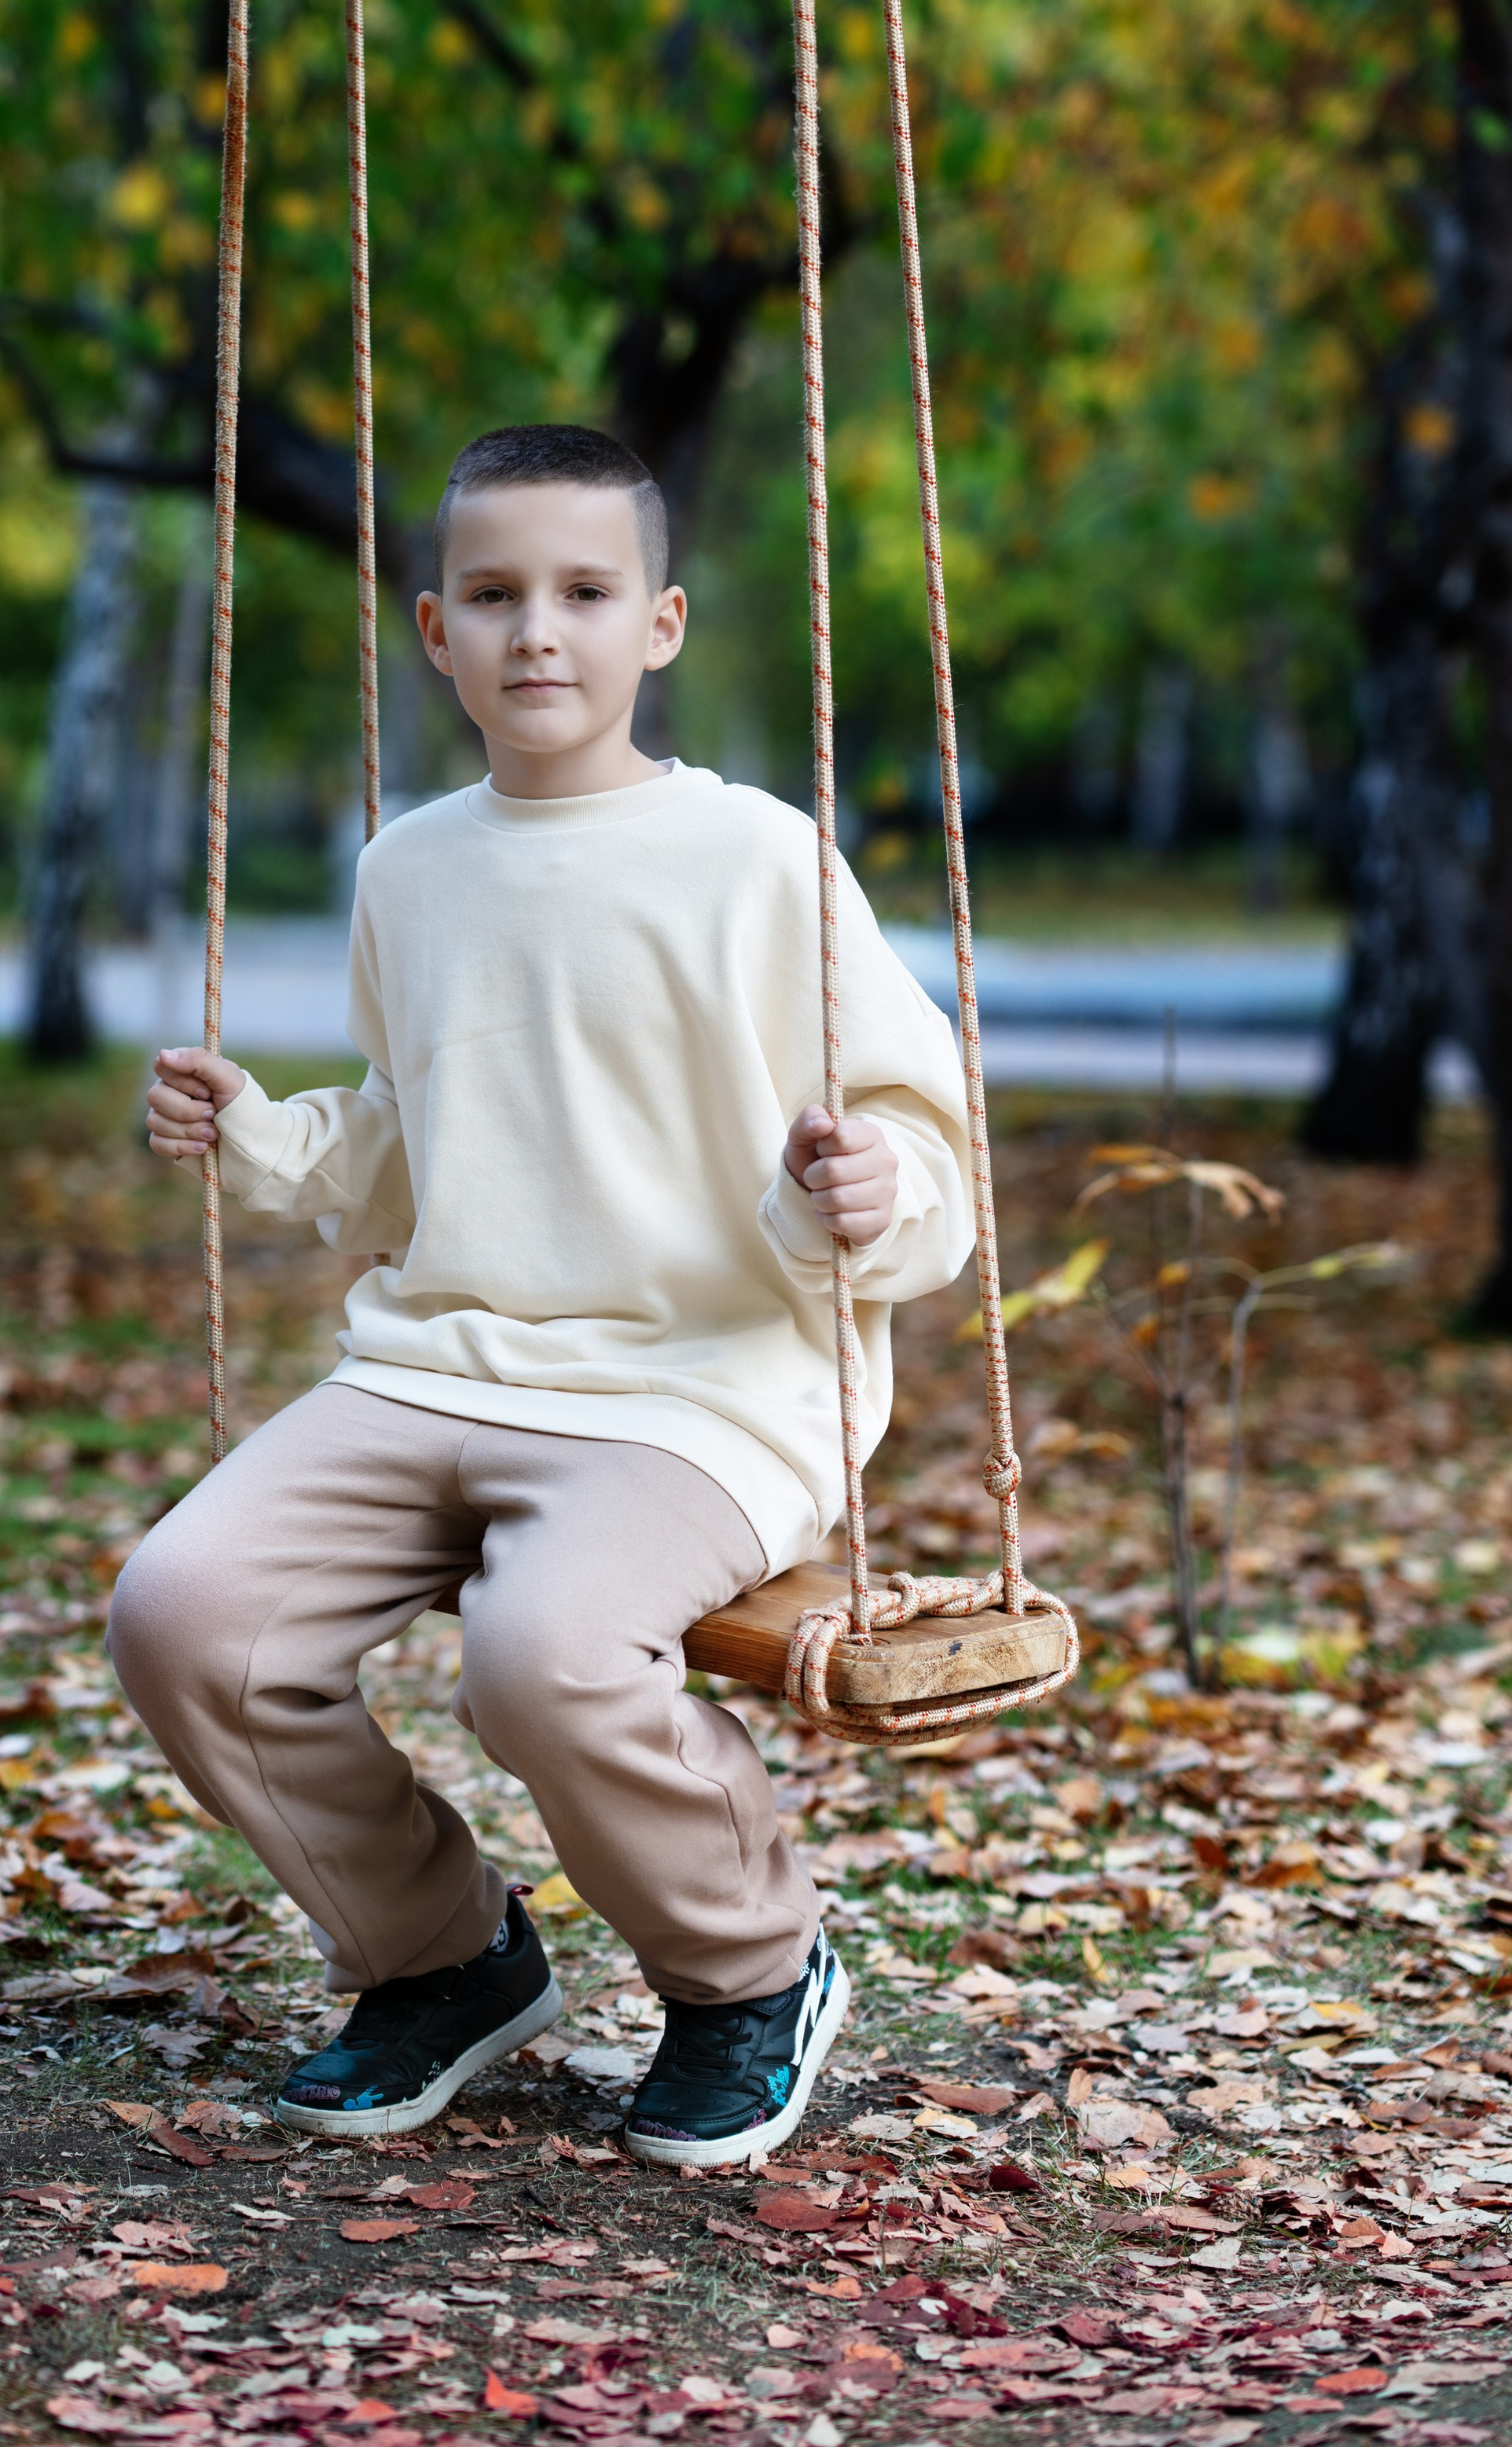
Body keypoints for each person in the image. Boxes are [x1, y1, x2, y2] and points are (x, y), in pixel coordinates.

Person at [109, 423, 974, 2169]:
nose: (536, 635)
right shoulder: (408, 868)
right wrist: (263, 1137)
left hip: (701, 1383)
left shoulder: (755, 860)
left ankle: (749, 1972)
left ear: (657, 624)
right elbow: (416, 1129)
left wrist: (875, 1189)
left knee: (539, 1653)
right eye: (493, 596)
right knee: (183, 1611)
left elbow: (911, 1122)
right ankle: (438, 1959)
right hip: (444, 1359)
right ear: (432, 630)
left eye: (582, 593)